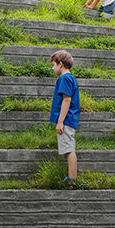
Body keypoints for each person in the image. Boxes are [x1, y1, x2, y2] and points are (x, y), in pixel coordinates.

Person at [49, 49, 80, 188]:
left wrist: (60, 121)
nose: (53, 67)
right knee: (68, 148)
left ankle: (72, 180)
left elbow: (66, 100)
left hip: (66, 120)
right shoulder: (69, 78)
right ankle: (71, 178)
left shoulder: (65, 78)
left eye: (54, 65)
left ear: (60, 64)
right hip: (68, 119)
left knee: (69, 149)